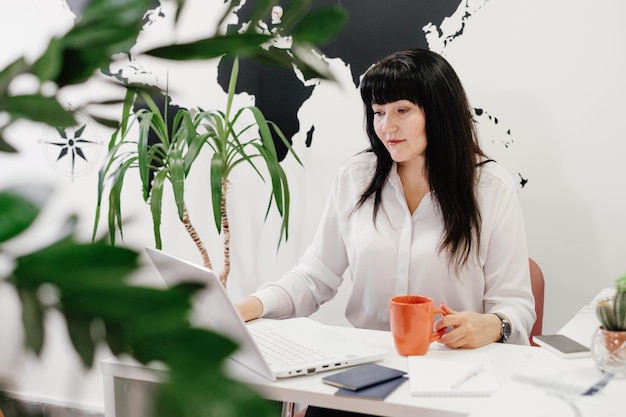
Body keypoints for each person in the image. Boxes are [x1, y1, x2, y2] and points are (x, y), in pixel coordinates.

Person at [236, 48, 535, 416]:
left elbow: (516, 306)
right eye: (378, 112)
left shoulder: (490, 188)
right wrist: (246, 308)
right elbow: (315, 277)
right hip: (364, 375)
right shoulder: (355, 177)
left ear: (438, 111)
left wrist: (492, 325)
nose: (386, 127)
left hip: (449, 380)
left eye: (402, 110)